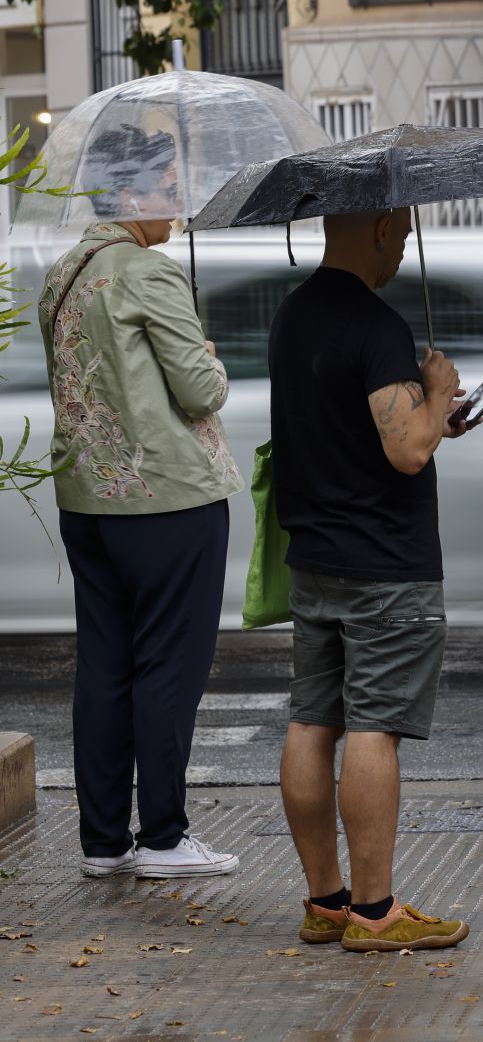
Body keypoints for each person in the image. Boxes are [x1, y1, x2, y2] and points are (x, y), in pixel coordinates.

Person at [36, 129, 243, 880]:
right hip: (168, 501)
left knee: (106, 665)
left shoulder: (64, 273)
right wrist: (211, 360)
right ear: (127, 195)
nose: (176, 200)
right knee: (168, 667)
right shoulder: (149, 274)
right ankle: (162, 836)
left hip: (88, 501)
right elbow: (201, 391)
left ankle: (102, 840)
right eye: (165, 186)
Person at [269, 207, 477, 953]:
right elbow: (406, 453)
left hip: (315, 558)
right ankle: (377, 911)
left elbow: (345, 424)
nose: (408, 246)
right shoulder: (377, 325)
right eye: (408, 232)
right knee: (372, 727)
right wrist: (438, 390)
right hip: (385, 565)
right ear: (383, 226)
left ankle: (326, 902)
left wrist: (428, 416)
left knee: (311, 719)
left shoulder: (292, 314)